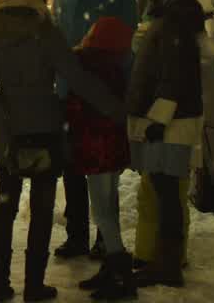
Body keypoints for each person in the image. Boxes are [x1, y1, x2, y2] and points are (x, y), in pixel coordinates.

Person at [0, 0, 125, 302]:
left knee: (5, 207)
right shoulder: (46, 32)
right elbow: (76, 77)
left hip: (9, 132)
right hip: (45, 129)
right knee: (41, 212)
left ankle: (0, 285)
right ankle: (33, 286)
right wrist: (115, 109)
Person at [51, 0, 138, 260]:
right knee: (73, 166)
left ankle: (107, 238)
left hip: (103, 88)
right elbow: (58, 36)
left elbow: (124, 40)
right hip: (69, 88)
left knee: (103, 171)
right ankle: (77, 235)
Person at [128, 0, 203, 289]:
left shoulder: (174, 21)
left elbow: (173, 75)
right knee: (163, 190)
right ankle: (164, 260)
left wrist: (158, 119)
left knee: (167, 191)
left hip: (172, 121)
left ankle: (168, 264)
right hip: (171, 117)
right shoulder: (167, 17)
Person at [69, 17, 137, 300]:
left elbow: (75, 105)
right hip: (113, 145)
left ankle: (120, 275)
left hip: (94, 145)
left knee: (102, 210)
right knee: (108, 206)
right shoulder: (120, 67)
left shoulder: (84, 64)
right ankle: (113, 268)